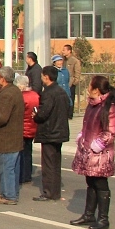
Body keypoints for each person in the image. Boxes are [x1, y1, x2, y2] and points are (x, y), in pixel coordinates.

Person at [69, 76, 115, 229]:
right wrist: (82, 137)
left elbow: (110, 132)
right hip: (88, 151)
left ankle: (103, 219)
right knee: (90, 182)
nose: (88, 89)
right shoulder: (92, 104)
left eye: (90, 86)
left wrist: (96, 145)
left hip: (100, 154)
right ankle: (89, 215)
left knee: (100, 184)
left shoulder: (109, 107)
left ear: (97, 90)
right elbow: (87, 126)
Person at [31, 65, 71, 202]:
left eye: (42, 76)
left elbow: (43, 113)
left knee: (48, 164)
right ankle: (55, 192)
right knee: (55, 163)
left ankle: (49, 192)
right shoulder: (61, 91)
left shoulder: (48, 93)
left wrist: (36, 115)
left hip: (49, 132)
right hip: (59, 131)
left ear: (46, 77)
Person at [0, 67, 24, 205]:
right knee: (11, 168)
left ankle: (9, 195)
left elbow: (1, 117)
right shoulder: (14, 91)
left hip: (6, 137)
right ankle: (9, 192)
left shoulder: (7, 94)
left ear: (2, 78)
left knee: (6, 168)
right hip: (13, 136)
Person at [16, 74, 40, 186]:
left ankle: (21, 175)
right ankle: (27, 174)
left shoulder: (21, 97)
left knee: (21, 153)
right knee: (28, 152)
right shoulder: (35, 95)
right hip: (33, 126)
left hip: (23, 127)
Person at [62, 43, 82, 119]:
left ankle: (70, 114)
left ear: (69, 51)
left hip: (70, 83)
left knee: (70, 98)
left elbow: (77, 72)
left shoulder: (75, 61)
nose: (63, 51)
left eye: (64, 50)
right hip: (63, 83)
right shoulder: (62, 60)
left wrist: (74, 82)